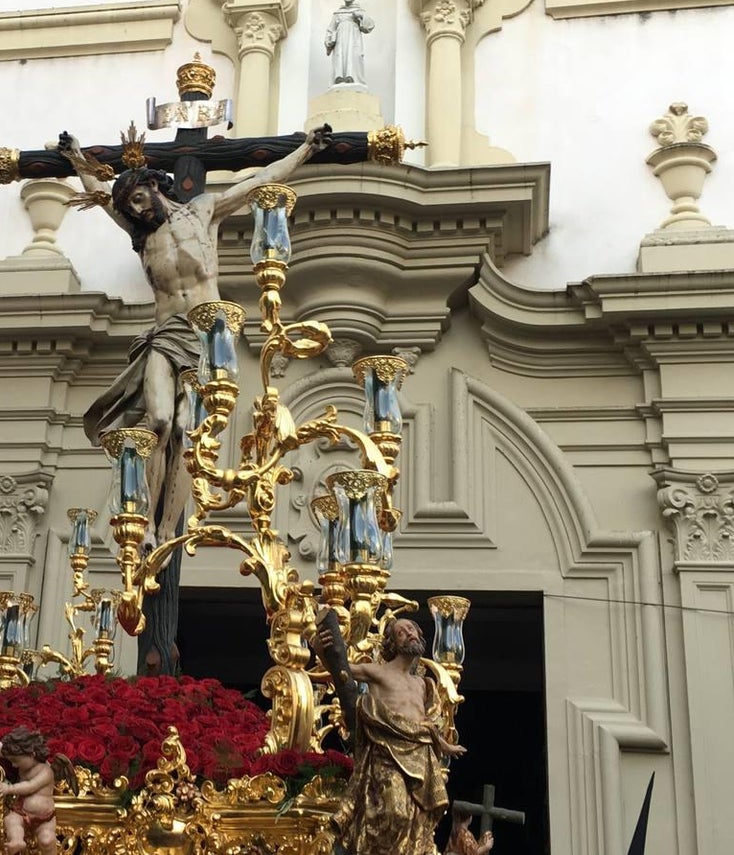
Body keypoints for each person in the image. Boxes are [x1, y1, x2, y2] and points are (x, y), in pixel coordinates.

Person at [60, 125, 331, 672]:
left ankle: (165, 529)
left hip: (208, 334)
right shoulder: (142, 237)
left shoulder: (202, 210)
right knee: (158, 419)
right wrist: (74, 159)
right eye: (129, 205)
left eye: (139, 198)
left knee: (186, 432)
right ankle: (145, 521)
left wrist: (303, 151)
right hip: (164, 334)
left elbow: (257, 182)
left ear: (158, 188)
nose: (136, 209)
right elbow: (99, 186)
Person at [313, 614, 465, 855]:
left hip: (419, 755)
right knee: (394, 811)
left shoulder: (423, 684)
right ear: (394, 644)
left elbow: (427, 723)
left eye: (412, 629)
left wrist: (445, 745)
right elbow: (341, 669)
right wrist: (323, 649)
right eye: (402, 632)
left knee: (416, 817)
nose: (410, 634)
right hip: (387, 751)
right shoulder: (379, 672)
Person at [0, 723, 74, 855]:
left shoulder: (46, 771)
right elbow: (3, 751)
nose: (13, 765)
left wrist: (8, 789)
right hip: (21, 812)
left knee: (47, 840)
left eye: (16, 761)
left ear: (32, 754)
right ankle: (17, 841)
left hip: (44, 818)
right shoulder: (24, 760)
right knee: (11, 820)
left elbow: (30, 786)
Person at [325, 0, 375, 89]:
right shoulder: (338, 13)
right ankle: (339, 77)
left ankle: (353, 76)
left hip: (354, 38)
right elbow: (330, 29)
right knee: (340, 56)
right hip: (340, 40)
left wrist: (361, 16)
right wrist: (329, 40)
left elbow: (369, 25)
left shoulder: (359, 11)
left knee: (354, 55)